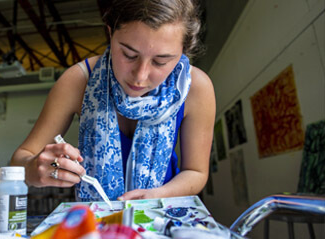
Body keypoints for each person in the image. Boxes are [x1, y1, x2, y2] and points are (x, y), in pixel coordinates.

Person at [11, 0, 215, 202]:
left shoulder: (196, 88)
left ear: (183, 52)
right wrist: (33, 168)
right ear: (110, 33)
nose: (140, 76)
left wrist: (155, 196)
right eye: (129, 54)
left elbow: (196, 172)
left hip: (162, 215)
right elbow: (18, 161)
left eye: (160, 61)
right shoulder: (78, 81)